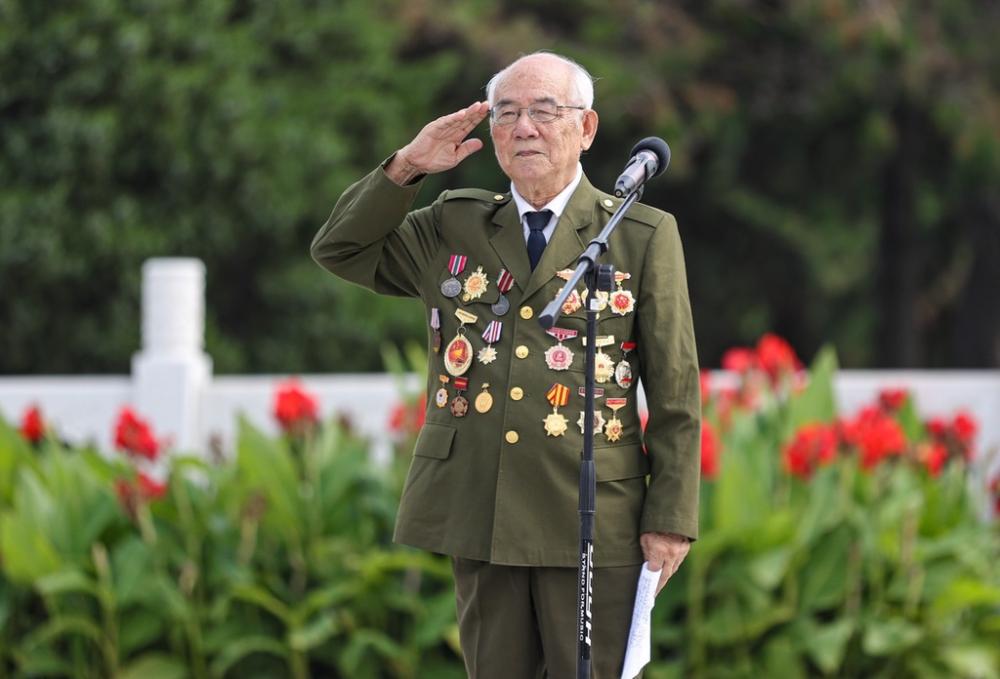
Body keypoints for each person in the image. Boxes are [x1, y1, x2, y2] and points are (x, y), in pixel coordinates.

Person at [311, 51, 700, 679]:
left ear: (587, 129)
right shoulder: (454, 225)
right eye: (507, 113)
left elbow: (675, 388)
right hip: (483, 508)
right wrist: (407, 167)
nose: (524, 128)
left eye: (545, 112)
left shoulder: (641, 234)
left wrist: (671, 520)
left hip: (595, 517)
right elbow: (340, 249)